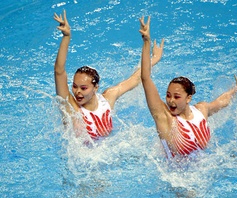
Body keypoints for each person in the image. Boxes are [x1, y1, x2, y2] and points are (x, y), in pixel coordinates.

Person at [139, 16, 237, 159]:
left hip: (204, 170)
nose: (171, 101)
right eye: (168, 95)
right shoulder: (165, 118)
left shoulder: (201, 110)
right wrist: (146, 42)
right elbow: (145, 78)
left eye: (177, 97)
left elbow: (223, 101)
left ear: (188, 98)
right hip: (175, 178)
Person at [53, 11, 164, 140]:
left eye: (83, 88)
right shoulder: (72, 108)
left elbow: (135, 78)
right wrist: (66, 37)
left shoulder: (107, 99)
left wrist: (153, 56)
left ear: (96, 88)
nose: (77, 92)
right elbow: (59, 72)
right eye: (74, 86)